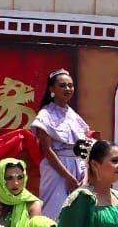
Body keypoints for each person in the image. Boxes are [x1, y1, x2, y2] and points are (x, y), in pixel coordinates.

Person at [31, 69, 92, 219]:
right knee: (55, 211)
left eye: (70, 85)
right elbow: (47, 150)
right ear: (52, 89)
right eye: (63, 85)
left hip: (78, 167)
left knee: (77, 215)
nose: (68, 89)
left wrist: (84, 174)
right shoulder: (45, 114)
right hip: (57, 169)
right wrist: (67, 177)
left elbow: (84, 145)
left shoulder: (72, 114)